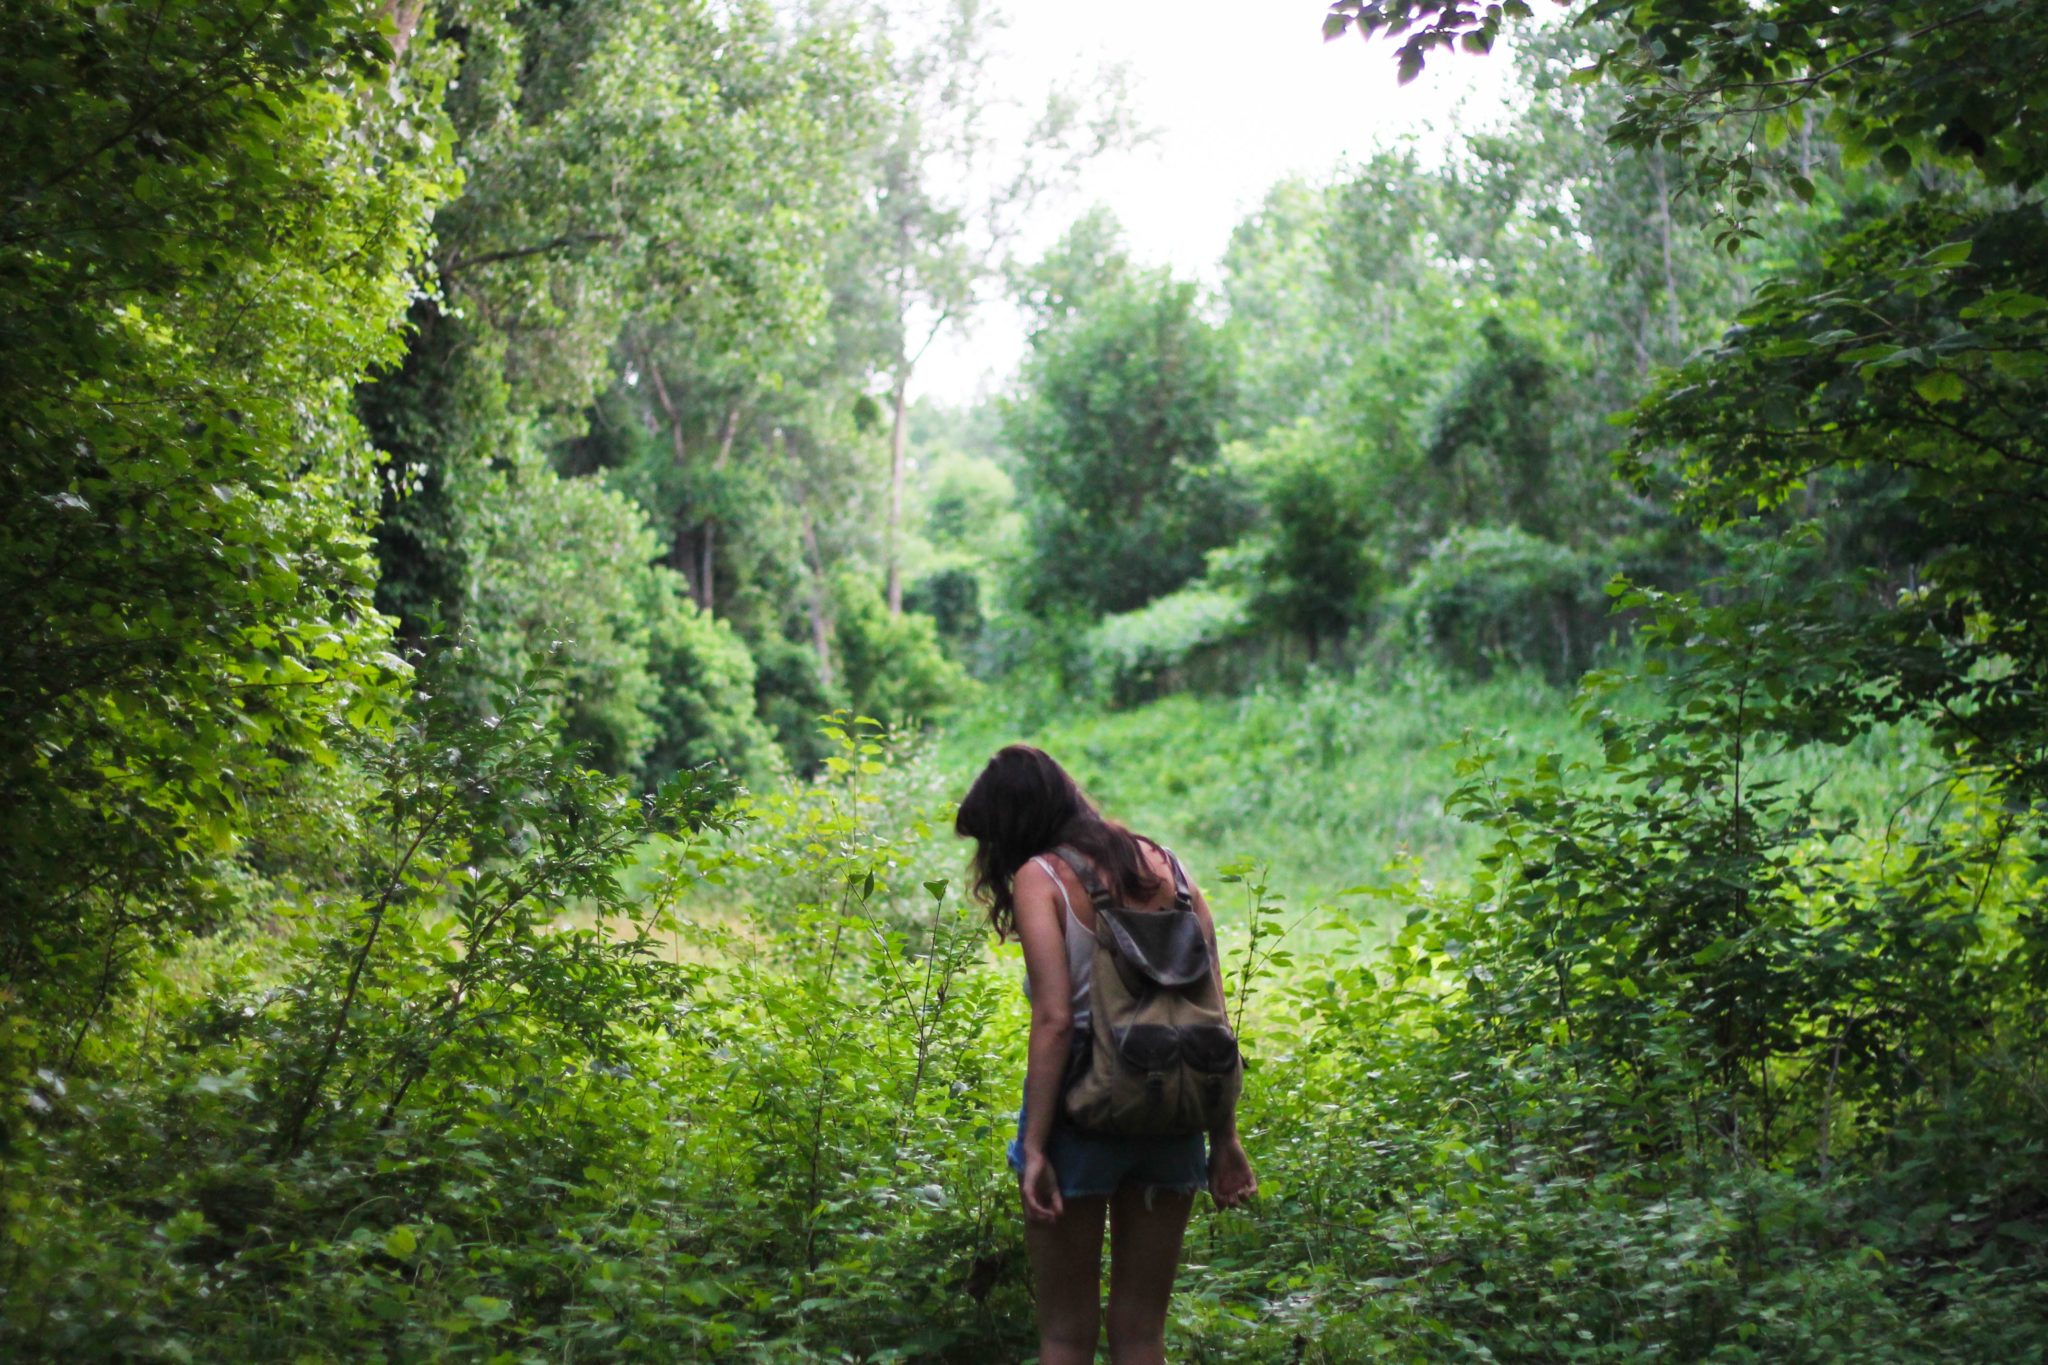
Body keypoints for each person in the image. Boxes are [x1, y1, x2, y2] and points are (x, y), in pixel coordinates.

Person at [955, 744, 1257, 1365]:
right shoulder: (1170, 868)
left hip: (1080, 1112)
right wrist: (1222, 1137)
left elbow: (1055, 1020)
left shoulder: (1043, 876)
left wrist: (1036, 1148)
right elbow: (1212, 1021)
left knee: (1066, 1334)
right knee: (1142, 1334)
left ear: (1013, 825)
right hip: (1174, 1111)